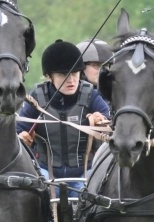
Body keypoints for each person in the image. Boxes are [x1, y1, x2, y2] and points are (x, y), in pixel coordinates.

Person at [17, 39, 110, 188]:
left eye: (74, 73)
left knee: (93, 196)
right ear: (49, 76)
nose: (71, 80)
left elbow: (111, 125)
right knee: (40, 192)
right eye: (63, 75)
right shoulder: (36, 98)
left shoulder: (92, 96)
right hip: (45, 173)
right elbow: (18, 131)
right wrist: (21, 137)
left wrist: (101, 121)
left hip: (85, 174)